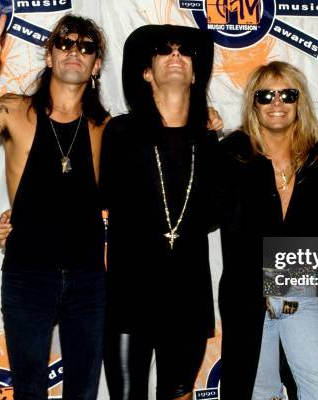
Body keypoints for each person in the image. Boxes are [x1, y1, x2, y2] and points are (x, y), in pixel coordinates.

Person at [0, 13, 109, 400]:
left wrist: (207, 123)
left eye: (86, 47)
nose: (74, 52)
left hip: (90, 280)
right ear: (49, 56)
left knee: (83, 393)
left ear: (96, 65)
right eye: (64, 43)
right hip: (28, 275)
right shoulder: (14, 110)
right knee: (29, 392)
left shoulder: (106, 127)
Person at [217, 61, 318, 400]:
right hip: (248, 292)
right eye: (266, 96)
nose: (277, 103)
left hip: (301, 288)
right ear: (253, 104)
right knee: (260, 393)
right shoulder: (232, 153)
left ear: (299, 101)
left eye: (287, 94)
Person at [99, 24, 217, 400]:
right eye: (165, 51)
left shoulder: (210, 142)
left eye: (185, 52)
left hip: (188, 299)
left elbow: (217, 214)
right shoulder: (119, 133)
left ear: (196, 74)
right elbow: (94, 202)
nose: (177, 56)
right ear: (147, 73)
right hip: (128, 295)